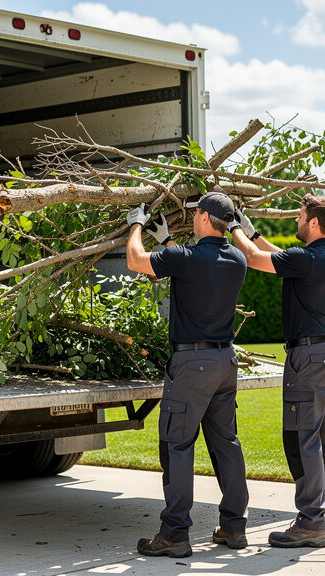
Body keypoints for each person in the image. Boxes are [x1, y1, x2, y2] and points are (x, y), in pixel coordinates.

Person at [125, 192, 250, 558]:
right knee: (226, 444)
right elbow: (197, 266)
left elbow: (135, 260)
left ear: (208, 218)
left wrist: (135, 223)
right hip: (225, 363)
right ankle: (233, 527)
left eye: (197, 212)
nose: (192, 216)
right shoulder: (237, 259)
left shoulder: (186, 258)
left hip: (191, 366)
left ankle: (175, 534)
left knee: (177, 445)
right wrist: (166, 242)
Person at [228, 193, 325, 548]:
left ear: (312, 223)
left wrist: (233, 226)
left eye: (299, 215)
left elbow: (252, 258)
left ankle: (311, 522)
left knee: (301, 438)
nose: (296, 220)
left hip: (307, 358)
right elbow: (278, 255)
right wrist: (251, 229)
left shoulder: (307, 259)